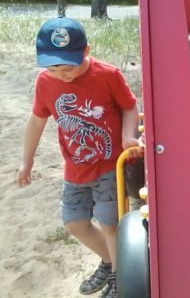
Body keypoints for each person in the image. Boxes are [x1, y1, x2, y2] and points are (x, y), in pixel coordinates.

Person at [16, 17, 141, 298]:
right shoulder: (46, 82)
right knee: (75, 224)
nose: (61, 73)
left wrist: (128, 136)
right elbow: (36, 121)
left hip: (109, 165)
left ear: (86, 51)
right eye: (53, 66)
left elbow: (130, 107)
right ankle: (111, 262)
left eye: (67, 66)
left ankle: (120, 279)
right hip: (75, 168)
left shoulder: (107, 75)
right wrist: (27, 161)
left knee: (110, 224)